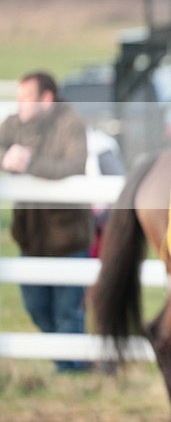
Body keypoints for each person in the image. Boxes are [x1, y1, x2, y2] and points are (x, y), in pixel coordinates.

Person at [0, 71, 95, 373]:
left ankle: (72, 370)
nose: (21, 105)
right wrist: (5, 159)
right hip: (31, 236)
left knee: (67, 311)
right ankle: (67, 363)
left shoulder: (71, 124)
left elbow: (73, 165)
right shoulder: (13, 123)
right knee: (37, 308)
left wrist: (29, 164)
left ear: (47, 98)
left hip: (67, 237)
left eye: (27, 98)